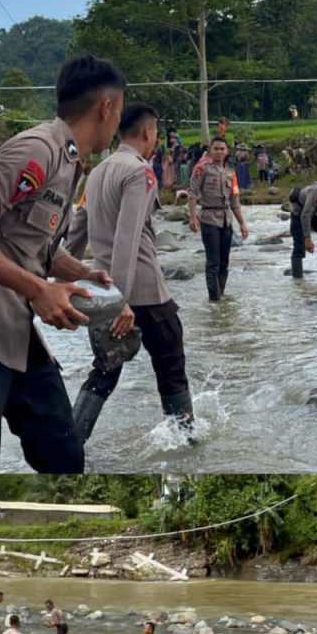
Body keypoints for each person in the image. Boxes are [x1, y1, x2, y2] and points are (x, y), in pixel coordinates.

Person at [0, 55, 125, 473]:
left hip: (17, 335)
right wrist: (38, 289)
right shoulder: (37, 150)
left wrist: (79, 273)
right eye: (120, 112)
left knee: (63, 455)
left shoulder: (69, 159)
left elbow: (28, 244)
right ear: (107, 107)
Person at [72, 103, 194, 442]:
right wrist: (120, 300)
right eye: (155, 133)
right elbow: (127, 238)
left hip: (102, 289)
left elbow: (76, 232)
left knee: (105, 371)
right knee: (172, 368)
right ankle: (186, 443)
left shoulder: (97, 173)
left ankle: (69, 446)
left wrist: (62, 280)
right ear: (147, 133)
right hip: (142, 293)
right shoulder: (141, 172)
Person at [188, 136, 249, 301]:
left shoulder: (231, 172)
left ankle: (221, 295)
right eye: (216, 148)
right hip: (208, 219)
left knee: (224, 262)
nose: (219, 152)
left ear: (227, 151)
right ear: (210, 150)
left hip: (226, 220)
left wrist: (242, 223)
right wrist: (192, 217)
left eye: (222, 149)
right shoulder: (202, 168)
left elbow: (235, 200)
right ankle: (214, 299)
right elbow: (192, 193)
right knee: (213, 262)